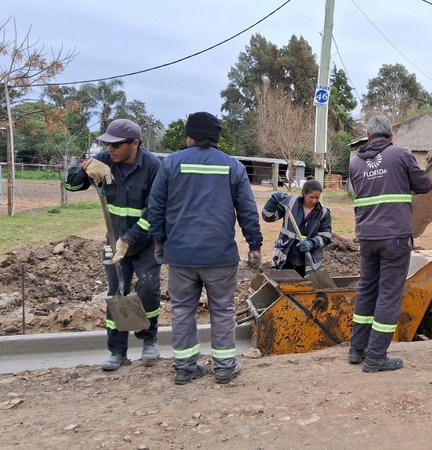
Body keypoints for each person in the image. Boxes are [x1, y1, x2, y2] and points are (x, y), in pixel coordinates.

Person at [146, 112, 263, 385]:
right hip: (220, 255)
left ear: (190, 136)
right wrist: (254, 244)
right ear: (216, 137)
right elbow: (247, 210)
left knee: (182, 310)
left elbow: (156, 208)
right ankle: (224, 367)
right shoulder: (232, 167)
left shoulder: (171, 164)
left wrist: (159, 241)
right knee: (222, 311)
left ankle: (185, 367)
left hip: (181, 254)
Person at [65, 118, 163, 371]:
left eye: (116, 145)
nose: (110, 149)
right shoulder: (105, 159)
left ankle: (148, 338)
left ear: (134, 144)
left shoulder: (154, 167)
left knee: (149, 290)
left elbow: (155, 213)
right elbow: (70, 185)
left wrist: (129, 239)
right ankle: (117, 351)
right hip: (113, 239)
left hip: (145, 242)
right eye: (107, 144)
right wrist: (85, 168)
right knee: (118, 293)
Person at [348, 115, 432, 372]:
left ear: (368, 136)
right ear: (391, 136)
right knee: (388, 295)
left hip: (367, 237)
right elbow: (424, 185)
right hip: (394, 237)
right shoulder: (401, 155)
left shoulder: (355, 163)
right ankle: (376, 357)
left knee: (367, 290)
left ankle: (357, 349)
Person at [261, 179, 332, 276]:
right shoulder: (290, 204)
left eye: (317, 198)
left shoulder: (323, 212)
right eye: (311, 197)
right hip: (287, 255)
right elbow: (268, 217)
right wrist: (272, 202)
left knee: (304, 287)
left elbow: (326, 236)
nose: (314, 201)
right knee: (284, 285)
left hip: (308, 260)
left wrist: (312, 243)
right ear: (303, 194)